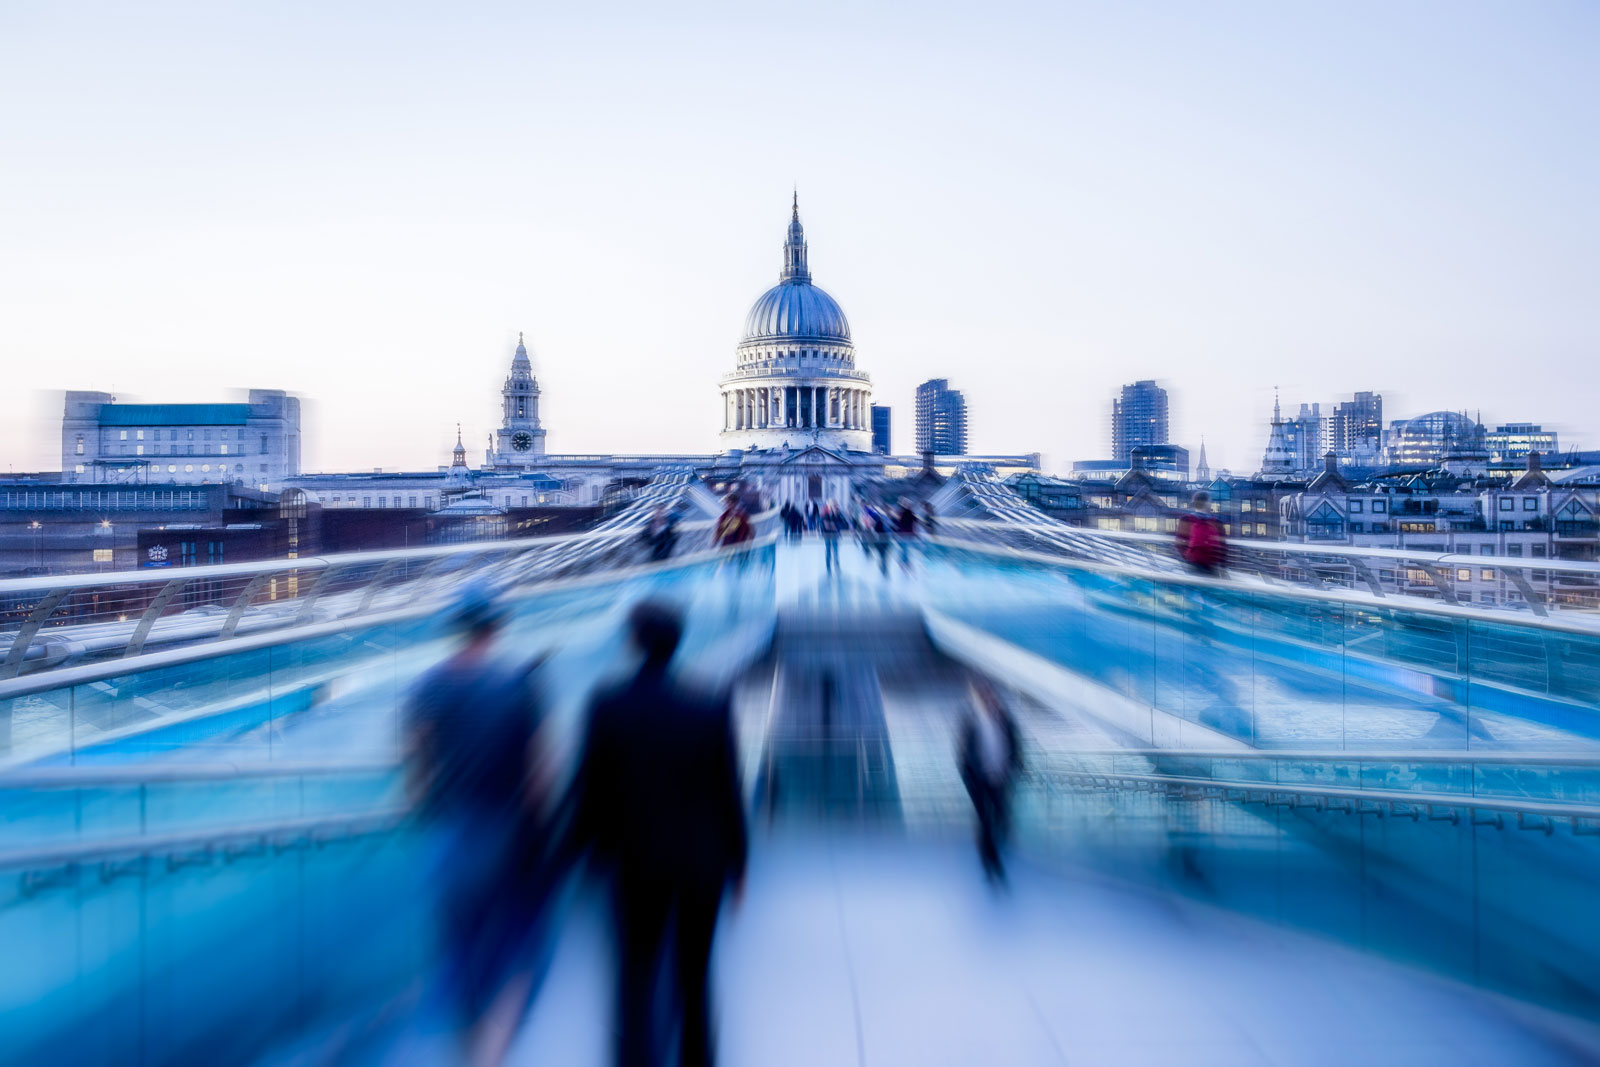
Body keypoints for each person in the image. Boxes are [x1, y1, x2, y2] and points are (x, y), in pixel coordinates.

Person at [560, 601, 748, 1067]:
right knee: (695, 976)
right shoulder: (710, 704)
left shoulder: (608, 704)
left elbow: (590, 791)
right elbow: (728, 788)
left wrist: (572, 857)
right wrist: (739, 864)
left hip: (633, 863)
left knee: (636, 975)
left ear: (634, 641)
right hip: (701, 864)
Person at [405, 584, 552, 1066]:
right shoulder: (519, 684)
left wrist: (424, 807)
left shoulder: (426, 687)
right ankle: (494, 1050)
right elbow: (540, 771)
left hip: (450, 834)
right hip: (508, 830)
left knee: (461, 944)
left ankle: (467, 1041)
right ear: (497, 628)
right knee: (515, 944)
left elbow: (417, 768)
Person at [957, 678, 1023, 884]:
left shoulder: (1005, 719)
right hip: (980, 779)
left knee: (1002, 818)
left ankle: (992, 853)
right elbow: (965, 753)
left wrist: (1012, 768)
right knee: (985, 819)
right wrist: (976, 774)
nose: (988, 699)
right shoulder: (971, 721)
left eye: (990, 695)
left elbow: (1015, 746)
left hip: (1002, 778)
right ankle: (991, 863)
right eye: (983, 696)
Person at [1175, 490, 1227, 577]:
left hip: (1192, 562)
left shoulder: (1185, 519)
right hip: (1212, 564)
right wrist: (1223, 567)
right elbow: (1223, 547)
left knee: (1193, 587)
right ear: (1208, 503)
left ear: (1194, 503)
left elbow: (1179, 543)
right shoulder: (1217, 522)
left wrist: (1187, 557)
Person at [818, 501, 845, 574]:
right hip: (827, 535)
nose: (836, 509)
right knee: (828, 550)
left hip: (835, 535)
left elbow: (843, 525)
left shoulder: (839, 515)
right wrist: (834, 526)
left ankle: (837, 566)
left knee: (835, 550)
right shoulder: (826, 515)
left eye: (837, 507)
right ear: (831, 507)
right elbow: (826, 526)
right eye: (834, 507)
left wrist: (834, 525)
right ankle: (828, 567)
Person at [893, 497, 919, 569]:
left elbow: (915, 522)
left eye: (907, 504)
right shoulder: (901, 513)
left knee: (905, 549)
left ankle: (905, 563)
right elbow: (898, 524)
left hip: (908, 534)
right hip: (903, 534)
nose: (907, 505)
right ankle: (903, 563)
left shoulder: (909, 513)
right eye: (905, 504)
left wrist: (915, 533)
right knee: (904, 549)